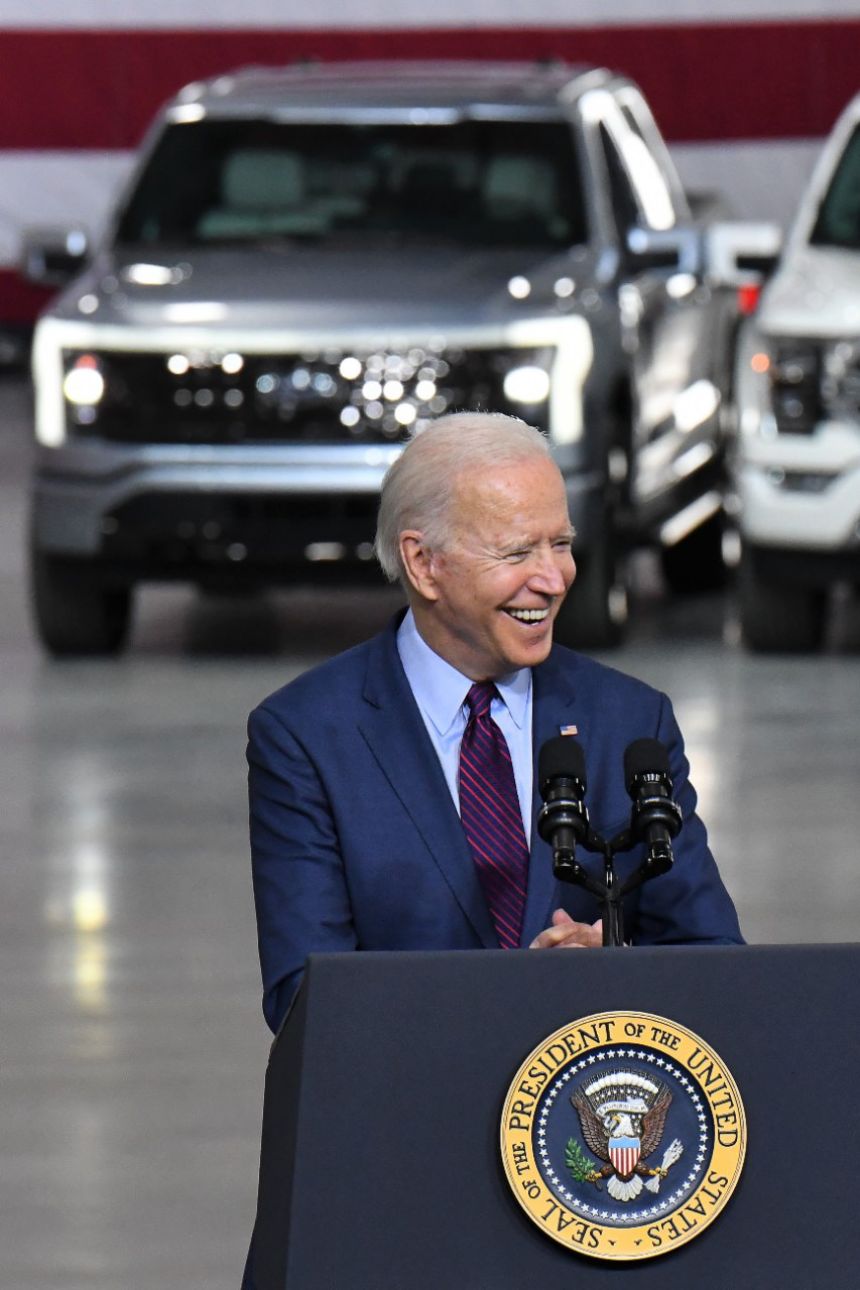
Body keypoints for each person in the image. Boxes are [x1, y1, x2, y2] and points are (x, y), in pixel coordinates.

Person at [247, 412, 742, 1034]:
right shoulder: (306, 736)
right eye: (516, 552)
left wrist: (615, 974)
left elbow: (716, 958)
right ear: (424, 564)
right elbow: (303, 998)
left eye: (559, 543)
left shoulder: (630, 722)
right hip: (406, 1116)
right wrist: (512, 996)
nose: (553, 578)